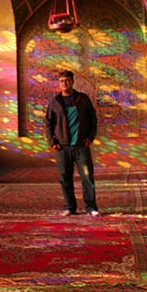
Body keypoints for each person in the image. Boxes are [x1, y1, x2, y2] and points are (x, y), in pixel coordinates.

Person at [44, 70, 99, 216]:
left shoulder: (83, 99)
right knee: (65, 178)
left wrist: (90, 137)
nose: (65, 83)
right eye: (62, 81)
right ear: (59, 83)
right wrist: (52, 142)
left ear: (73, 81)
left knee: (87, 177)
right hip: (63, 148)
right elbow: (48, 123)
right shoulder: (55, 102)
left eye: (67, 80)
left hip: (81, 146)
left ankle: (91, 207)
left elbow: (93, 119)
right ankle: (69, 207)